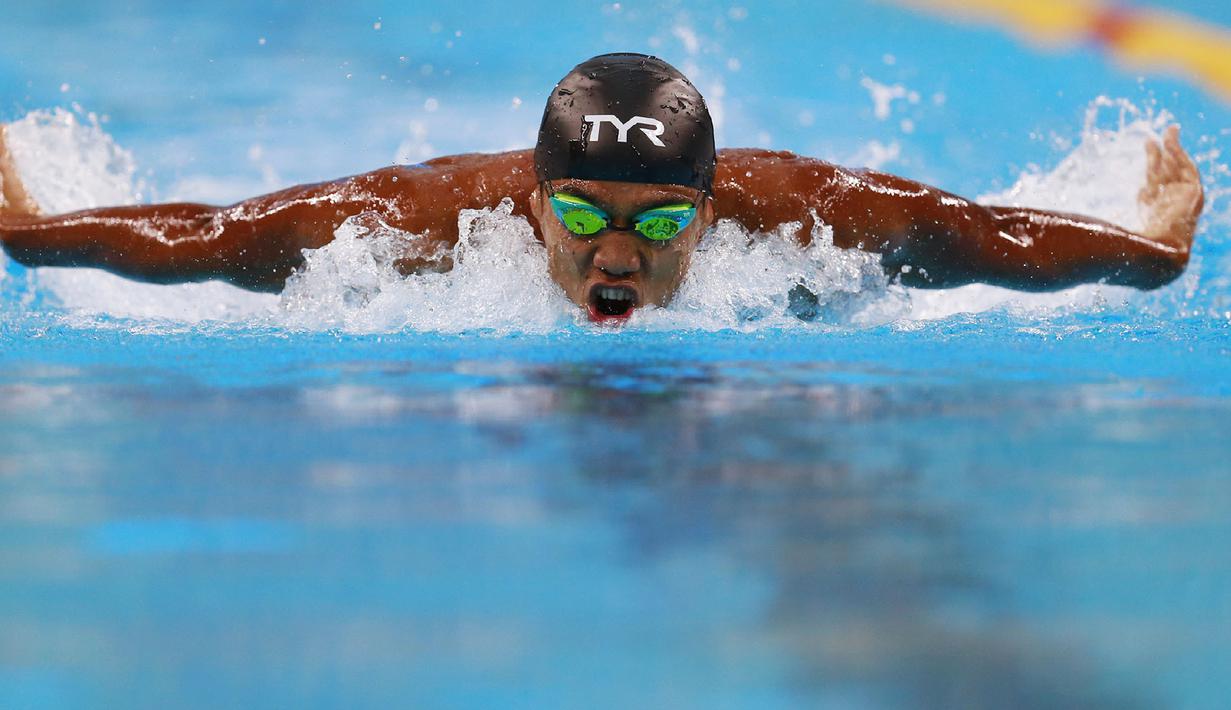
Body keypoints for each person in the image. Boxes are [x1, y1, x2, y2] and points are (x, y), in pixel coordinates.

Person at [0, 53, 1204, 323]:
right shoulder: (423, 224)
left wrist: (1149, 251)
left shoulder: (802, 218)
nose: (614, 254)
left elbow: (985, 234)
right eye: (579, 216)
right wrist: (24, 230)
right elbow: (208, 235)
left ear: (710, 209)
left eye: (659, 222)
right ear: (532, 201)